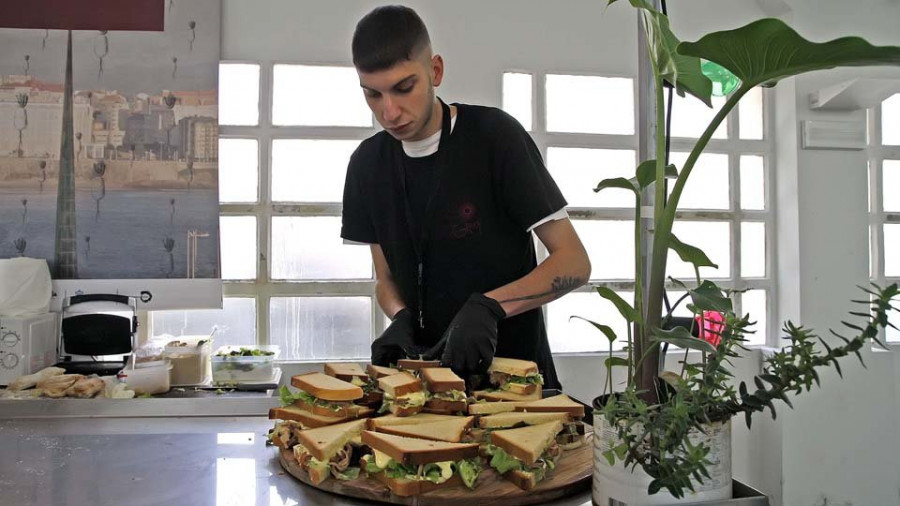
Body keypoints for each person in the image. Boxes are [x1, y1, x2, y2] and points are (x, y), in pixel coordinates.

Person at [341, 5, 591, 390]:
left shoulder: (495, 139)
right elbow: (386, 276)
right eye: (372, 94)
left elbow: (574, 262)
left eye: (404, 88)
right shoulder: (366, 165)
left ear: (435, 71)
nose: (388, 112)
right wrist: (400, 314)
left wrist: (490, 308)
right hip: (427, 388)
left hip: (517, 386)